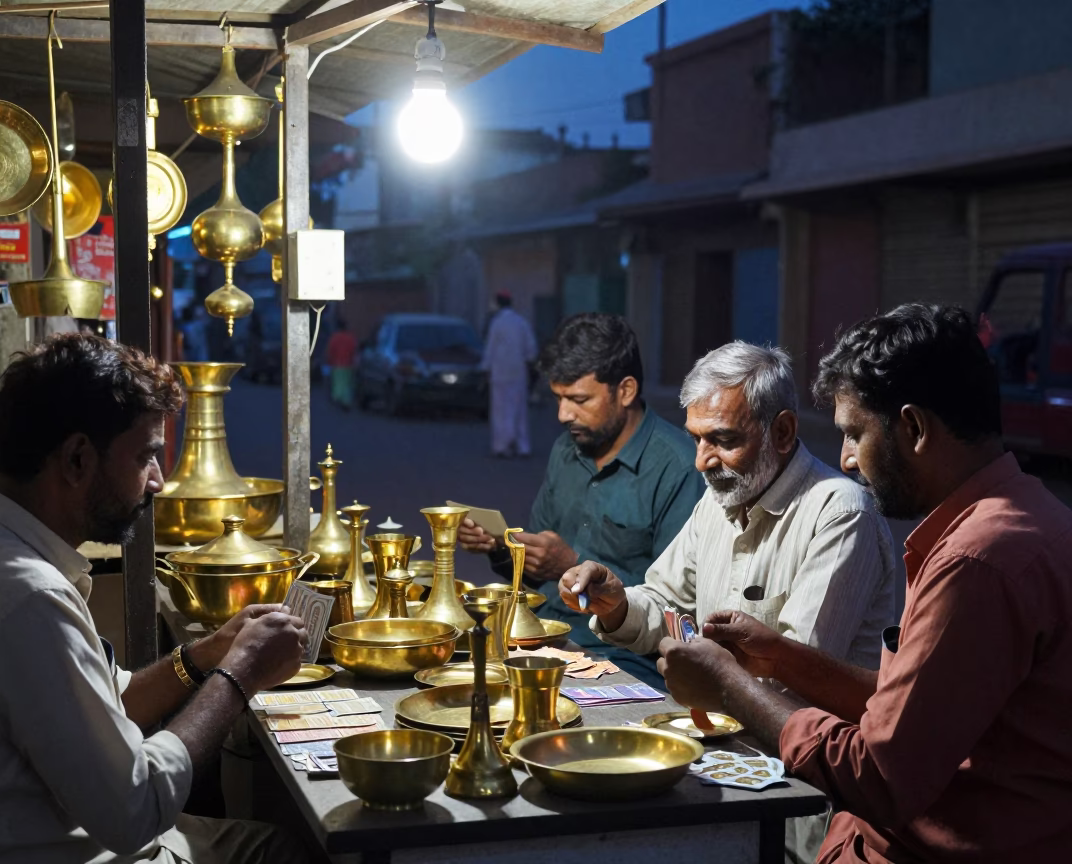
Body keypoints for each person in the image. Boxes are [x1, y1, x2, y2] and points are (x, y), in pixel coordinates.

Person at [657, 304, 1072, 863]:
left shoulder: (978, 560)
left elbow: (880, 775)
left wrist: (728, 684)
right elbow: (906, 707)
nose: (847, 460)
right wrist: (778, 655)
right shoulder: (1016, 516)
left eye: (854, 434)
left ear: (915, 428)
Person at [0, 333, 311, 863]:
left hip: (33, 830)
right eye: (146, 455)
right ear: (78, 459)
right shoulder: (25, 599)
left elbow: (107, 704)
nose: (158, 480)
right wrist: (240, 676)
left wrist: (206, 654)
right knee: (286, 848)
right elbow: (134, 811)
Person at [561, 342, 896, 864]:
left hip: (803, 789)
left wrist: (710, 670)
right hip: (724, 754)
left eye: (723, 440)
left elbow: (792, 676)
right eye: (696, 440)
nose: (702, 461)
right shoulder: (722, 500)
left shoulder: (838, 513)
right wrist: (616, 605)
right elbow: (664, 600)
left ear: (782, 432)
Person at [459, 313, 703, 686]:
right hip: (543, 638)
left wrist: (571, 565)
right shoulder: (567, 449)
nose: (562, 414)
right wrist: (500, 547)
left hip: (622, 661)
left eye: (578, 399)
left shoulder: (679, 468)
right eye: (558, 398)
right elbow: (534, 576)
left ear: (625, 390)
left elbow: (677, 609)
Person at [480, 292, 537, 458]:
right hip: (518, 373)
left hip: (499, 373)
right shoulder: (521, 322)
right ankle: (522, 445)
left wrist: (485, 368)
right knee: (519, 409)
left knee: (500, 409)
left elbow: (490, 349)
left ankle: (502, 445)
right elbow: (531, 349)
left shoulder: (496, 324)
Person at [325, 318, 358, 410]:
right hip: (348, 364)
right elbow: (354, 350)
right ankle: (346, 400)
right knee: (347, 383)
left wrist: (329, 360)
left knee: (338, 382)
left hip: (337, 364)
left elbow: (331, 350)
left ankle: (338, 397)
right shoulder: (351, 338)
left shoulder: (335, 338)